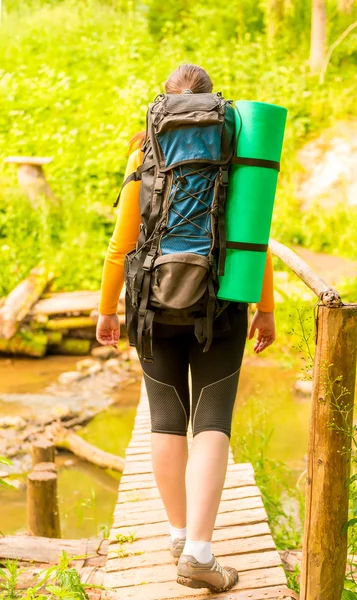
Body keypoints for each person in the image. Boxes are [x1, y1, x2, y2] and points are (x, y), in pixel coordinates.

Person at [97, 63, 276, 593]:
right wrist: (265, 307)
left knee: (166, 418)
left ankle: (179, 535)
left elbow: (120, 244)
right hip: (219, 303)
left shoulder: (145, 153)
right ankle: (201, 550)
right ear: (215, 102)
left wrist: (108, 308)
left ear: (161, 105)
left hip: (151, 302)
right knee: (212, 420)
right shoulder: (235, 152)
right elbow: (253, 237)